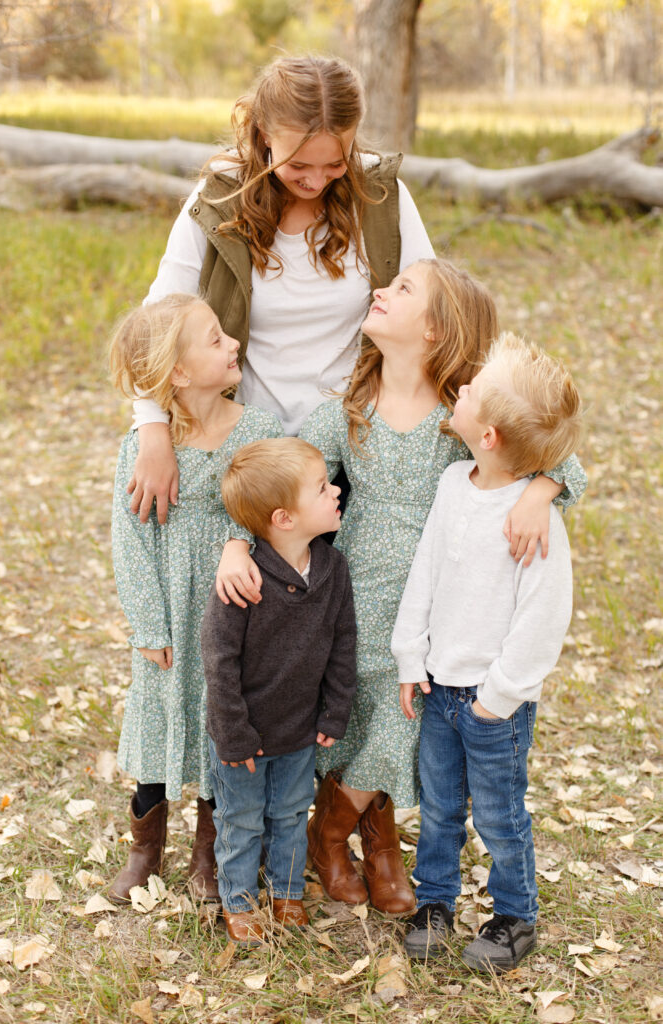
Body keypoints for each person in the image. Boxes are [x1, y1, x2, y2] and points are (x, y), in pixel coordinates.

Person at [220, 259, 587, 916]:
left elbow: (563, 458)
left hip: (430, 609)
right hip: (347, 600)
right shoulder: (346, 414)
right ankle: (372, 839)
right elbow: (276, 480)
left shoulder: (461, 415)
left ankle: (329, 834)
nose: (380, 292)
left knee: (402, 725)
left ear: (437, 332)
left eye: (403, 290)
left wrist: (540, 492)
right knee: (351, 716)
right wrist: (234, 541)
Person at [127, 53, 435, 525]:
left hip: (356, 445)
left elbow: (439, 307)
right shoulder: (219, 199)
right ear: (264, 134)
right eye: (298, 165)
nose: (315, 180)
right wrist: (151, 431)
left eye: (335, 163)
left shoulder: (381, 196)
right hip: (247, 452)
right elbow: (157, 324)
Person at [392, 333, 582, 972]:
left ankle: (513, 916)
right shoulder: (453, 483)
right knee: (441, 806)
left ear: (491, 435)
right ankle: (435, 902)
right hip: (440, 686)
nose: (461, 388)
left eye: (471, 390)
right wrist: (409, 658)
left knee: (499, 816)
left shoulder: (534, 516)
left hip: (494, 704)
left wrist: (498, 699)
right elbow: (426, 572)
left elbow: (542, 618)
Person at [107, 294, 282, 905]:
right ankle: (144, 848)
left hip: (234, 614)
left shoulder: (257, 430)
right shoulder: (147, 447)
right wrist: (150, 625)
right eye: (214, 339)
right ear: (177, 373)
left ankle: (209, 853)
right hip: (169, 619)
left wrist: (239, 540)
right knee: (156, 726)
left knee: (222, 725)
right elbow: (129, 540)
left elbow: (268, 513)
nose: (233, 343)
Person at [201, 438, 357, 946]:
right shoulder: (243, 580)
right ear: (284, 518)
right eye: (321, 487)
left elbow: (342, 643)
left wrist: (335, 713)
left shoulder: (333, 570)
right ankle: (240, 901)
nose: (336, 490)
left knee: (291, 814)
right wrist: (234, 736)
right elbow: (218, 663)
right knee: (242, 820)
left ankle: (287, 892)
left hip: (299, 728)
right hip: (242, 736)